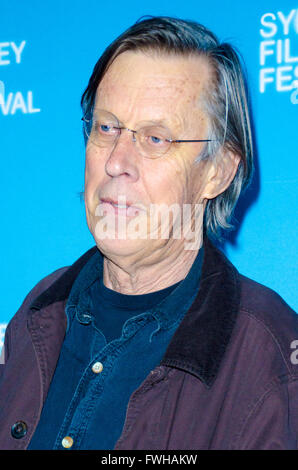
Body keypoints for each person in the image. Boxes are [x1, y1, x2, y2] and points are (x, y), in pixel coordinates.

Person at [0, 16, 297, 451]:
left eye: (156, 138)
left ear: (218, 171)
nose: (117, 160)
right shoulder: (36, 314)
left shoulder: (270, 358)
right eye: (106, 127)